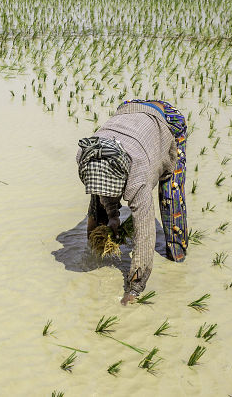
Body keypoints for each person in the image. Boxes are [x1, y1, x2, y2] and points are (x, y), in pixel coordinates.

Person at [76, 99, 189, 305]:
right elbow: (103, 185)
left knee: (170, 196)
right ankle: (95, 250)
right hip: (128, 110)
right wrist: (112, 216)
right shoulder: (88, 154)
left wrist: (135, 288)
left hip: (167, 120)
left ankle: (178, 255)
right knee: (98, 193)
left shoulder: (138, 175)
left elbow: (145, 234)